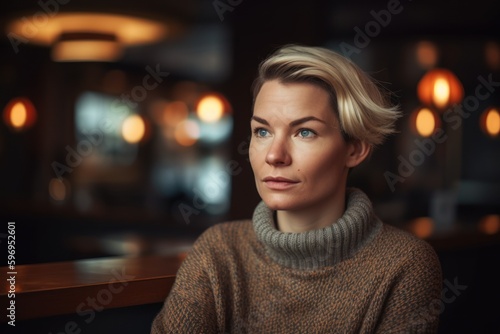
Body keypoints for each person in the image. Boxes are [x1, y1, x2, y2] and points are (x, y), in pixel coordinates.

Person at [151, 44, 442, 333]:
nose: (274, 155)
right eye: (262, 131)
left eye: (305, 132)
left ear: (354, 150)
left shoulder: (405, 265)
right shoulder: (217, 251)